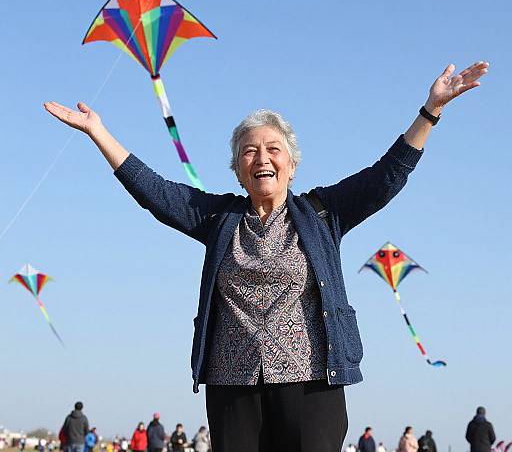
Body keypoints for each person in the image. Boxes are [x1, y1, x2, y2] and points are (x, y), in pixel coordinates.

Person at [44, 60, 489, 452]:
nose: (262, 158)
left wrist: (430, 112)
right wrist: (98, 132)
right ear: (238, 170)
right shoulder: (217, 218)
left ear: (292, 165)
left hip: (313, 380)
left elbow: (385, 177)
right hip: (232, 384)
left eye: (273, 149)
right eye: (249, 151)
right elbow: (156, 192)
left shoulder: (322, 213)